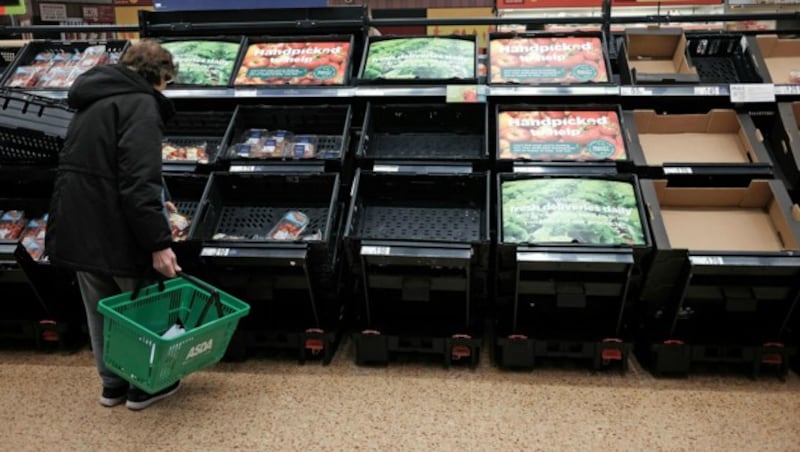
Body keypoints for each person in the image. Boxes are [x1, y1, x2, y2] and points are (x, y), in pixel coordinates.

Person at [46, 40, 182, 411]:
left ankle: (112, 385)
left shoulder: (93, 100)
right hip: (120, 229)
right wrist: (159, 241)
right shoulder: (141, 104)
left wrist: (161, 196)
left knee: (101, 309)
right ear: (161, 76)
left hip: (81, 224)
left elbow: (105, 164)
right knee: (143, 307)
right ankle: (145, 387)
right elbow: (137, 180)